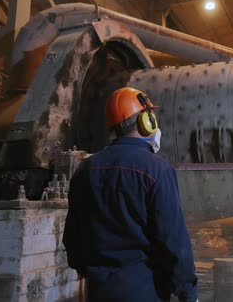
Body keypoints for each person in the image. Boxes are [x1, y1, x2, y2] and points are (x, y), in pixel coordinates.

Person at [63, 87, 198, 302]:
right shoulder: (156, 169)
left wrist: (90, 271)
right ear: (147, 121)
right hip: (145, 291)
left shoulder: (86, 169)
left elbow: (72, 236)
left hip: (99, 292)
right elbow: (173, 239)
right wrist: (187, 292)